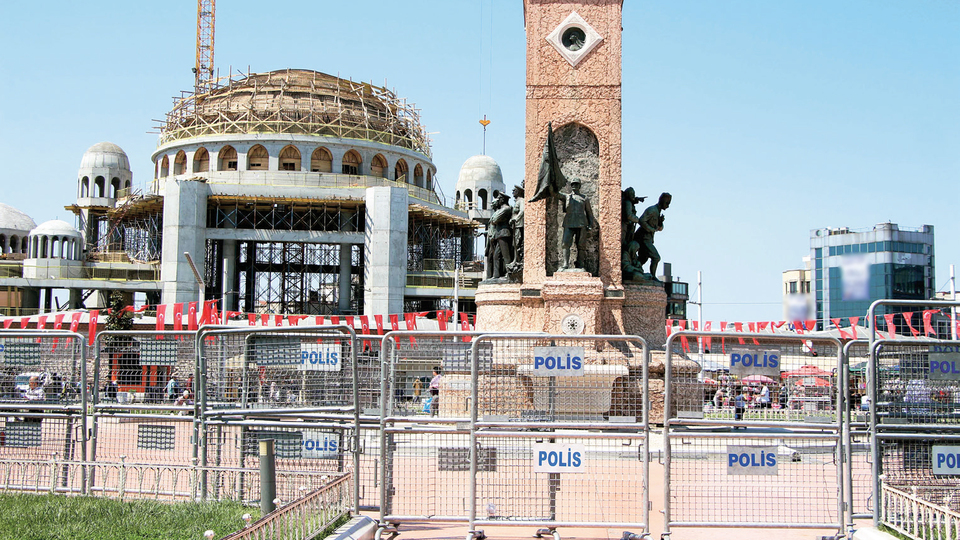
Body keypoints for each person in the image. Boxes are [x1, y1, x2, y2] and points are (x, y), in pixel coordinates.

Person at [559, 180, 595, 270]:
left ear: (579, 186)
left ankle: (580, 264)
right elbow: (556, 194)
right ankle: (565, 264)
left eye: (577, 184)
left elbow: (589, 213)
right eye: (573, 184)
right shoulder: (567, 196)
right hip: (569, 223)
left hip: (581, 223)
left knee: (581, 245)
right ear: (571, 186)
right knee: (565, 243)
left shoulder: (584, 198)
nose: (575, 185)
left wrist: (591, 224)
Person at [635, 192, 671, 278]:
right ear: (662, 201)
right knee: (656, 257)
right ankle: (653, 276)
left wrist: (660, 222)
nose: (668, 206)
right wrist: (650, 229)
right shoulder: (652, 210)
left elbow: (659, 228)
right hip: (644, 238)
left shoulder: (658, 212)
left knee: (643, 258)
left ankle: (635, 270)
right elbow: (641, 220)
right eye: (667, 203)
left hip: (649, 239)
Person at [484, 191, 513, 279]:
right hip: (499, 234)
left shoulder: (506, 209)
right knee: (496, 255)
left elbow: (495, 220)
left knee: (506, 256)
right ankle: (496, 275)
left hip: (504, 233)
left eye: (499, 198)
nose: (498, 200)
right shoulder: (501, 210)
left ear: (503, 200)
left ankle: (510, 273)